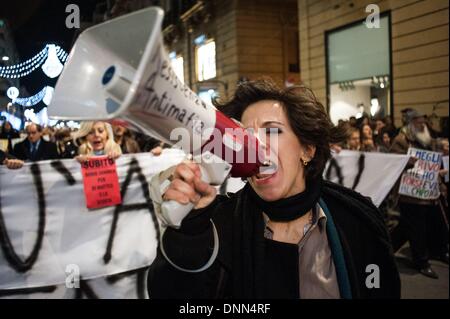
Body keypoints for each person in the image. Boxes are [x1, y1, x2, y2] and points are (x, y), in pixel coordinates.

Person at [147, 79, 400, 299]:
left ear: (307, 149)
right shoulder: (216, 224)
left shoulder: (356, 221)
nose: (255, 144)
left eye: (272, 131)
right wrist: (189, 235)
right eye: (245, 136)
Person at [390, 110, 449, 278]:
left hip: (431, 193)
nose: (422, 123)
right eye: (417, 120)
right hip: (411, 195)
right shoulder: (401, 141)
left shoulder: (429, 140)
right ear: (409, 123)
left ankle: (439, 251)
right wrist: (409, 162)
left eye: (422, 119)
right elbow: (395, 162)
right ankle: (421, 261)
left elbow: (436, 159)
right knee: (417, 230)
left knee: (436, 224)